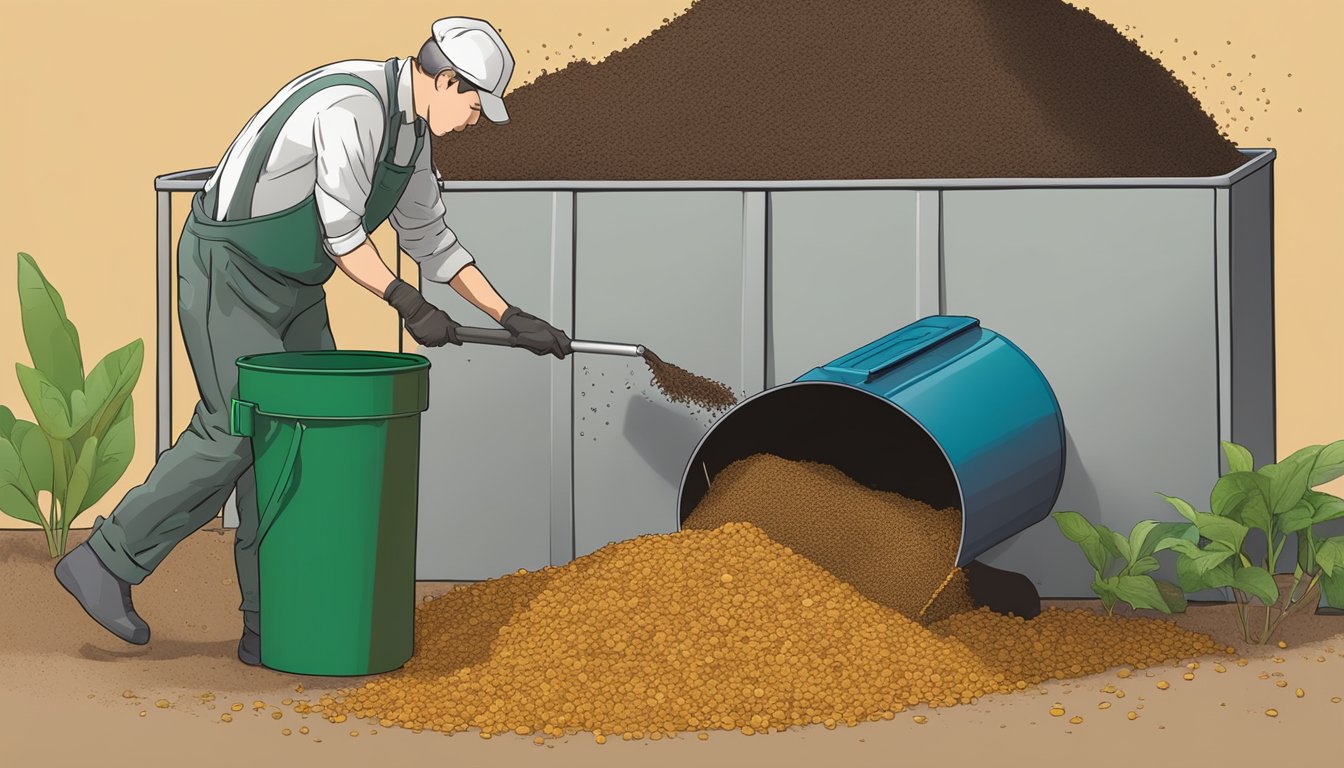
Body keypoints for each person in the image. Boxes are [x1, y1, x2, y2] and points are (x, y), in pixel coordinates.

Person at [54, 17, 570, 666]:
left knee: (302, 436)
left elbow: (430, 241)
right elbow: (342, 233)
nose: (473, 119)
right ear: (445, 80)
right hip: (230, 270)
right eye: (472, 103)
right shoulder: (352, 107)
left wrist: (510, 314)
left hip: (297, 286)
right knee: (237, 427)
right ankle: (106, 561)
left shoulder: (412, 139)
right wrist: (407, 302)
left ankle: (274, 622)